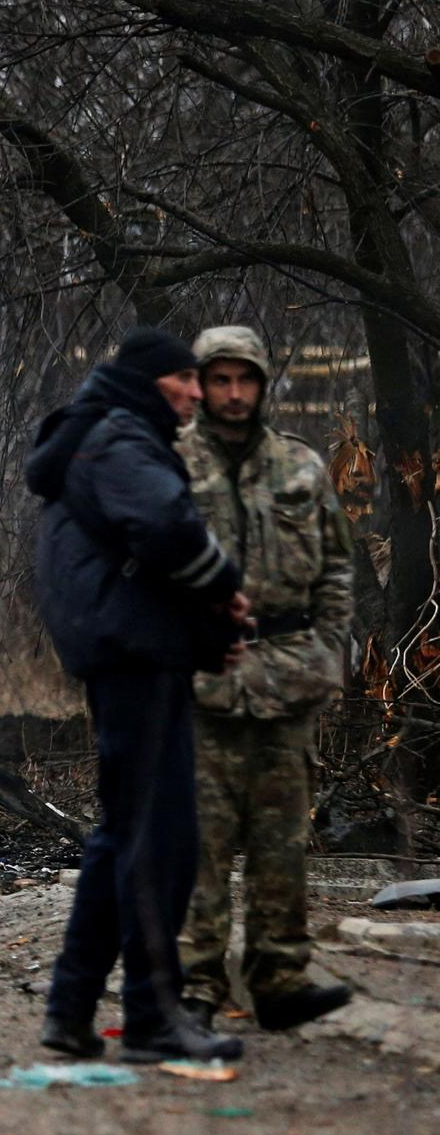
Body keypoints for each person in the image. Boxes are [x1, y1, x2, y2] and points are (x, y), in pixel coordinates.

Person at [26, 326, 251, 1064]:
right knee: (163, 839)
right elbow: (163, 526)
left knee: (124, 832)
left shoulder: (98, 434)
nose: (195, 391)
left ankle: (70, 1006)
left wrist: (205, 623)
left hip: (125, 649)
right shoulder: (120, 436)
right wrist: (225, 588)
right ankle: (154, 1018)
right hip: (135, 655)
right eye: (183, 380)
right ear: (150, 383)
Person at [179, 326, 355, 1032]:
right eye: (219, 379)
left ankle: (280, 977)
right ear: (201, 384)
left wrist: (328, 650)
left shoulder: (302, 468)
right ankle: (195, 985)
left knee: (283, 838)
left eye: (243, 379)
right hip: (201, 680)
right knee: (200, 843)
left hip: (288, 675)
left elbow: (338, 567)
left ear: (262, 383)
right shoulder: (170, 466)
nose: (232, 393)